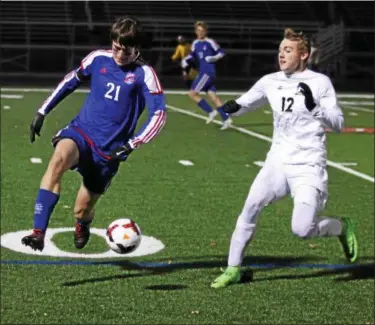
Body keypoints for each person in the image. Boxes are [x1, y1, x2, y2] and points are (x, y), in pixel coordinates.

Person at [211, 28, 358, 288]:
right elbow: (247, 103)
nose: (281, 54)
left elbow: (338, 124)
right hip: (276, 161)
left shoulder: (320, 82)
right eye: (280, 50)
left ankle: (341, 227)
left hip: (308, 164)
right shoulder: (270, 80)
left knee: (302, 230)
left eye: (288, 50)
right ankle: (234, 269)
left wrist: (316, 107)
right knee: (250, 208)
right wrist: (230, 107)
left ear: (304, 54)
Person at [21, 16, 167, 252]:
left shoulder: (145, 74)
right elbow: (71, 80)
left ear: (137, 48)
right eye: (116, 48)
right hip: (82, 132)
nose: (120, 55)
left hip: (109, 151)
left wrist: (132, 144)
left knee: (82, 209)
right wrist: (43, 110)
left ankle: (82, 223)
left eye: (126, 51)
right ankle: (38, 232)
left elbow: (159, 114)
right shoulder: (98, 58)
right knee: (57, 160)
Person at [182, 21, 232, 130]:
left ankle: (211, 112)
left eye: (202, 30)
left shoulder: (210, 42)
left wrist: (214, 58)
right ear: (195, 31)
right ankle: (227, 119)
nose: (200, 32)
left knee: (192, 94)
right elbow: (192, 55)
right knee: (213, 97)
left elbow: (221, 52)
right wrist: (186, 60)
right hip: (204, 72)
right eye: (198, 30)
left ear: (205, 31)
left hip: (207, 73)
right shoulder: (195, 43)